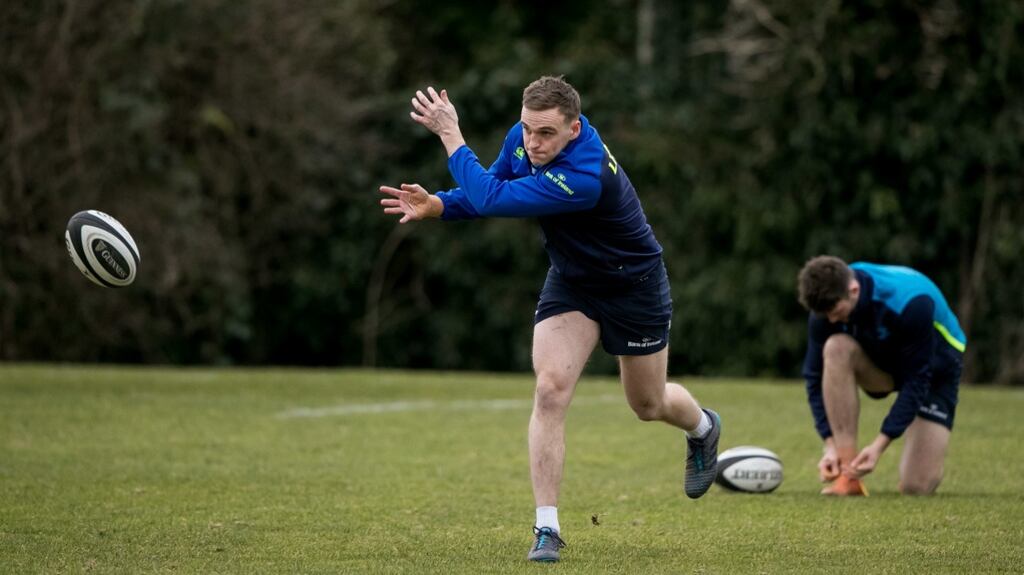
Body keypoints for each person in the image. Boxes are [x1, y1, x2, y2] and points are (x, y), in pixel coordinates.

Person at [379, 76, 721, 562]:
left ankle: (703, 428)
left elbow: (494, 200)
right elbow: (489, 189)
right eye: (527, 130)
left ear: (574, 129)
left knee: (648, 404)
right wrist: (440, 205)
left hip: (634, 287)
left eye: (546, 135)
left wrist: (451, 136)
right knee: (550, 388)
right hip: (573, 283)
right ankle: (547, 528)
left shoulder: (584, 177)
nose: (532, 143)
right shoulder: (522, 140)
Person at [797, 255, 965, 496]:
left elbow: (918, 379)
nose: (832, 320)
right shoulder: (826, 305)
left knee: (916, 487)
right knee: (835, 347)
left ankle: (915, 468)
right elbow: (813, 377)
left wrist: (879, 445)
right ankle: (848, 476)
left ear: (853, 290)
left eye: (836, 311)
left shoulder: (912, 302)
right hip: (882, 363)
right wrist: (829, 444)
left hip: (935, 371)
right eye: (826, 315)